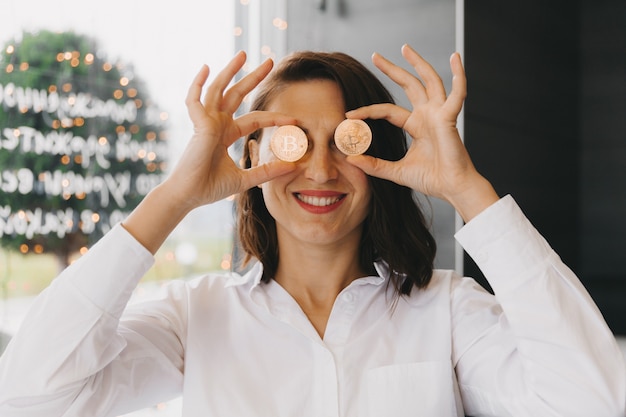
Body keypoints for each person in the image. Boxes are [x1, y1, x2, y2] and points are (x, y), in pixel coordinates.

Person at [0, 44, 624, 417]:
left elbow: (591, 404)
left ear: (377, 161)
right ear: (254, 161)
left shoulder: (450, 310)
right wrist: (175, 196)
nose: (321, 168)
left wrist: (470, 191)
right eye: (294, 144)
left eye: (342, 143)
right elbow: (30, 396)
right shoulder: (195, 317)